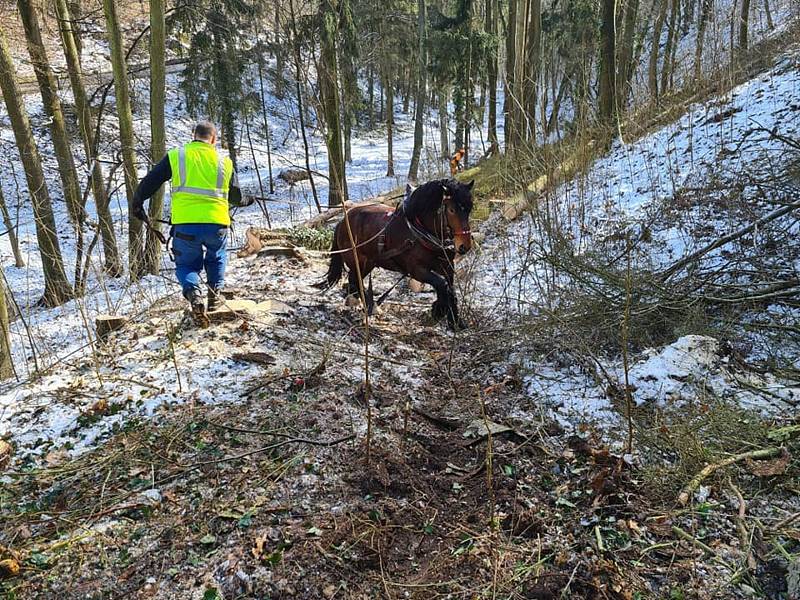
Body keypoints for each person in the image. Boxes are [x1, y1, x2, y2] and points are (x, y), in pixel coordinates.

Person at [132, 120, 242, 326]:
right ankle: (214, 296)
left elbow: (151, 181)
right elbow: (236, 197)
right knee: (217, 257)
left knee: (186, 264)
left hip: (185, 226)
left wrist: (137, 202)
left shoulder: (178, 156)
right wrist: (247, 200)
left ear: (194, 135)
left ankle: (194, 295)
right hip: (217, 223)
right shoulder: (224, 161)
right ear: (214, 139)